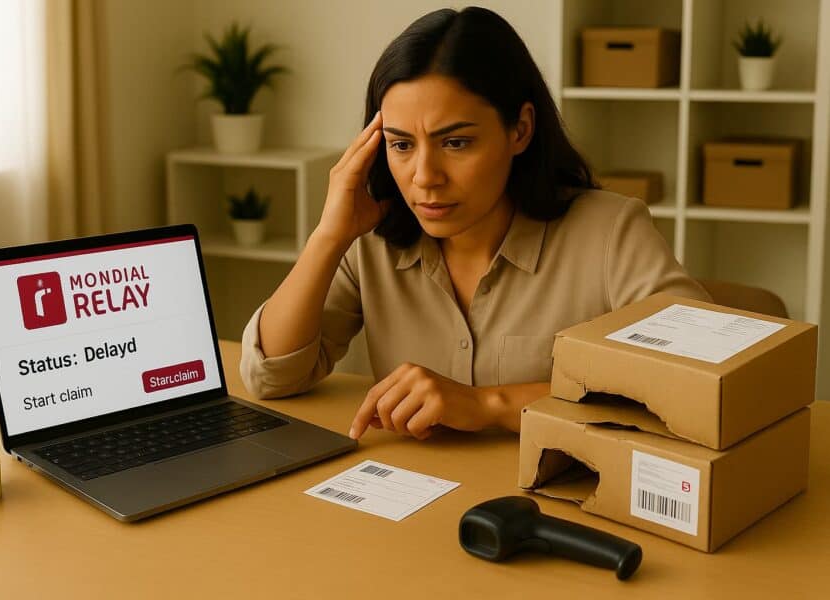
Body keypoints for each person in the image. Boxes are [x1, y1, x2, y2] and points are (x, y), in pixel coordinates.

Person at [239, 6, 710, 441]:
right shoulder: (370, 242)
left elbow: (703, 378)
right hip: (408, 506)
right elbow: (272, 377)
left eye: (456, 143)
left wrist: (491, 403)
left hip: (555, 508)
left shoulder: (610, 232)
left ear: (520, 130)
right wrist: (328, 236)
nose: (425, 178)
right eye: (401, 145)